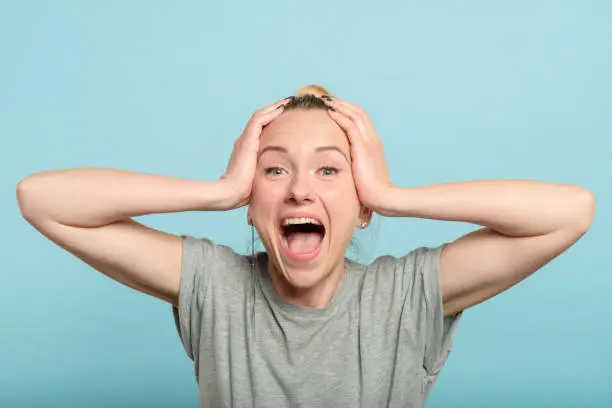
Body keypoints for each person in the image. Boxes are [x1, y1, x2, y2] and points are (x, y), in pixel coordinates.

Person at [16, 85, 595, 408]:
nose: (298, 189)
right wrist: (217, 191)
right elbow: (40, 198)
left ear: (361, 204)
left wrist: (394, 195)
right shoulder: (214, 287)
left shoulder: (406, 295)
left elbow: (571, 212)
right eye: (273, 172)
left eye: (328, 172)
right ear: (251, 198)